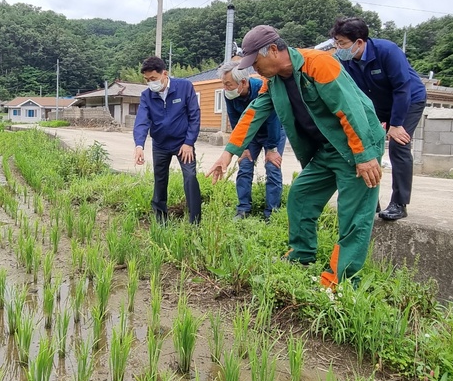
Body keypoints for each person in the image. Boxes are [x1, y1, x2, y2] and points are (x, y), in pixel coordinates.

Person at [207, 25, 385, 289]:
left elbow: (349, 109)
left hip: (356, 145)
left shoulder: (319, 64)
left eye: (255, 61)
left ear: (273, 51)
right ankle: (301, 254)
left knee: (354, 214)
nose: (254, 68)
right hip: (327, 149)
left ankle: (343, 279)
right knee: (301, 195)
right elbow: (254, 112)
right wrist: (228, 154)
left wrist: (365, 155)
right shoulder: (274, 81)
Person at [330, 17, 427, 221]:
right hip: (378, 105)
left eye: (342, 43)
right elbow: (353, 94)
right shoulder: (345, 60)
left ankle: (399, 204)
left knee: (398, 145)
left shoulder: (388, 51)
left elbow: (402, 88)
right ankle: (371, 202)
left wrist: (396, 124)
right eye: (336, 43)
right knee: (364, 146)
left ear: (359, 42)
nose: (338, 48)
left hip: (409, 100)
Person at [133, 56, 202, 224]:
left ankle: (195, 221)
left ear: (165, 74)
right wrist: (139, 145)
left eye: (153, 79)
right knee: (160, 179)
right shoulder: (147, 96)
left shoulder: (184, 87)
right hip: (160, 144)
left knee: (190, 176)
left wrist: (189, 143)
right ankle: (160, 219)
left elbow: (194, 116)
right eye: (147, 80)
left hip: (182, 143)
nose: (151, 83)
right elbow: (141, 120)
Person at [218, 61, 287, 220]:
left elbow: (273, 119)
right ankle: (243, 209)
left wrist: (272, 148)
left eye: (228, 84)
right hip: (251, 134)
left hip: (274, 130)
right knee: (245, 164)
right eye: (224, 84)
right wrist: (243, 147)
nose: (225, 88)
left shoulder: (262, 88)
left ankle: (271, 213)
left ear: (243, 82)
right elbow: (236, 120)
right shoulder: (230, 94)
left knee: (272, 166)